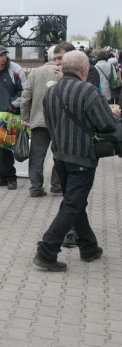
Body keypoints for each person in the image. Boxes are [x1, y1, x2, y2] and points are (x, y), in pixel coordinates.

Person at [33, 51, 121, 272]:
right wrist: (116, 113)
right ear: (84, 70)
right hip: (82, 158)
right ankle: (47, 250)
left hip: (60, 156)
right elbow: (107, 125)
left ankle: (88, 247)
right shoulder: (88, 91)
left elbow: (50, 123)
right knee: (72, 205)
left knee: (75, 203)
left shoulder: (51, 92)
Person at [20, 45, 62, 198]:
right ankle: (57, 185)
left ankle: (36, 187)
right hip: (59, 121)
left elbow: (26, 96)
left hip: (39, 119)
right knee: (59, 154)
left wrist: (24, 116)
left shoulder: (35, 72)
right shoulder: (64, 73)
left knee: (37, 155)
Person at [0, 45, 26, 190]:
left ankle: (11, 178)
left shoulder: (16, 70)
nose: (3, 58)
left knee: (6, 148)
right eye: (0, 55)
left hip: (9, 114)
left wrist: (13, 105)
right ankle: (2, 176)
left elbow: (23, 91)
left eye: (5, 55)